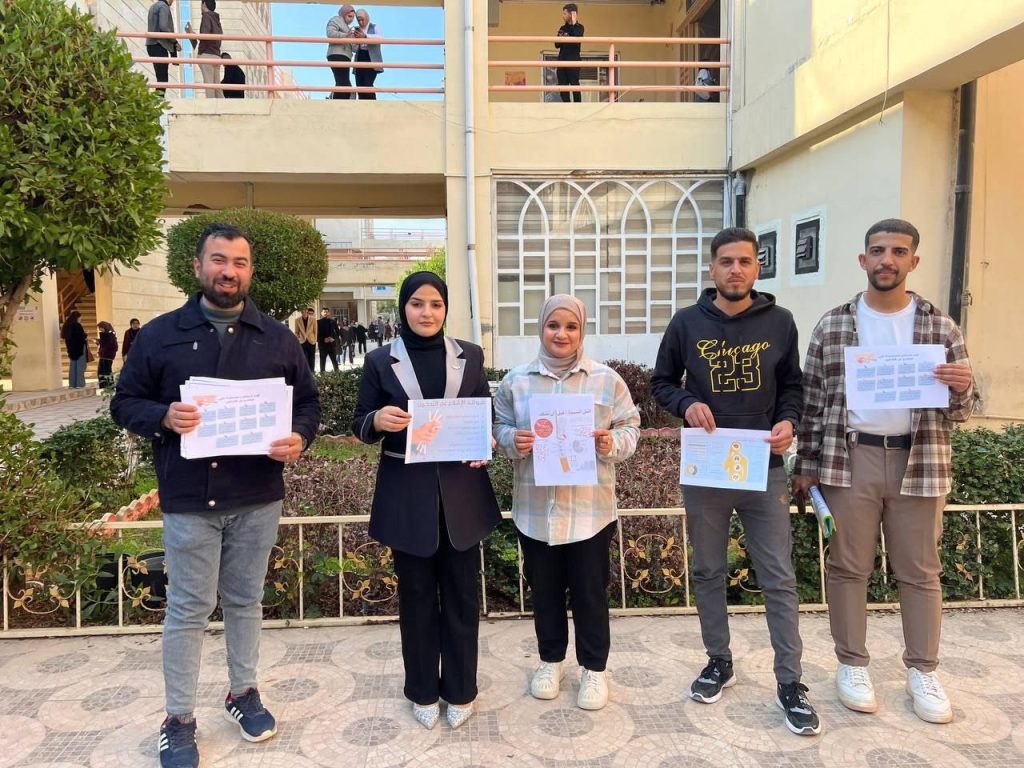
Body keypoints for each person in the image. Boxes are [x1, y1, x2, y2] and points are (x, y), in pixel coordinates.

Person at [110, 223, 320, 768]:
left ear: (250, 271)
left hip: (258, 495)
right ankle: (178, 719)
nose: (229, 271)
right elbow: (123, 402)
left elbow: (307, 404)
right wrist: (163, 416)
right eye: (219, 260)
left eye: (240, 263)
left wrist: (300, 437)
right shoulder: (161, 335)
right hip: (190, 499)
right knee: (188, 609)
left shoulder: (276, 338)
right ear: (199, 266)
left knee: (246, 601)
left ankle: (242, 692)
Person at [793, 218, 976, 725]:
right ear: (863, 259)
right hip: (851, 458)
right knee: (848, 567)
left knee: (920, 571)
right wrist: (805, 466)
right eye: (877, 251)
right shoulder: (833, 325)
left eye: (898, 251)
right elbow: (812, 403)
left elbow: (963, 409)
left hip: (920, 459)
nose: (886, 260)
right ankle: (852, 664)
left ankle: (923, 669)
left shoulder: (941, 327)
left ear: (914, 261)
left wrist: (963, 385)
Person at [651, 227, 820, 737]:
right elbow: (661, 382)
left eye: (745, 261)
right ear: (712, 268)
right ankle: (718, 660)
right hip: (707, 469)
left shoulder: (780, 322)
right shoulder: (686, 323)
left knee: (778, 577)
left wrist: (789, 420)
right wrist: (686, 403)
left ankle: (790, 682)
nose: (735, 270)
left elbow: (792, 385)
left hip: (763, 468)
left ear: (757, 268)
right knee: (707, 570)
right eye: (726, 261)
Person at [351, 271, 501, 730]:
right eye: (417, 303)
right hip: (407, 494)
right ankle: (421, 690)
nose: (427, 312)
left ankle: (461, 689)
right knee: (416, 599)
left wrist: (486, 441)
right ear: (403, 308)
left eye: (435, 304)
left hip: (461, 494)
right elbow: (359, 423)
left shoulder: (469, 356)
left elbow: (484, 414)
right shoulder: (380, 361)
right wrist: (378, 420)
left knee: (461, 597)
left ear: (445, 308)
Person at [493, 295, 640, 711]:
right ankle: (551, 662)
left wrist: (611, 443)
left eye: (571, 326)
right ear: (541, 328)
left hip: (590, 512)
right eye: (553, 325)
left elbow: (631, 427)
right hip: (536, 510)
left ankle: (594, 669)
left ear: (582, 331)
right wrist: (512, 440)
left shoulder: (606, 380)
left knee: (591, 593)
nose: (562, 334)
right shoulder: (516, 382)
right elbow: (499, 427)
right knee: (545, 592)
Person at [184, 0, 222, 98]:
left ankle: (211, 106)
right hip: (216, 55)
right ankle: (222, 105)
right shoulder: (216, 19)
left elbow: (204, 36)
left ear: (204, 4)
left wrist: (191, 34)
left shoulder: (206, 16)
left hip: (207, 54)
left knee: (209, 86)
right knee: (217, 87)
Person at [146, 0, 180, 97]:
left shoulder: (154, 6)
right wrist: (174, 41)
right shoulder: (164, 7)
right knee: (163, 79)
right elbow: (164, 27)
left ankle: (157, 101)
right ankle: (158, 101)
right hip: (159, 45)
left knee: (160, 77)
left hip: (151, 45)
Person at [326, 5, 357, 100]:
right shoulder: (336, 20)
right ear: (344, 13)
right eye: (349, 16)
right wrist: (346, 35)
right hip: (336, 54)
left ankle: (336, 100)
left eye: (353, 17)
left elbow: (354, 48)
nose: (351, 19)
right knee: (344, 83)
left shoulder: (349, 28)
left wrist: (358, 39)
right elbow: (330, 33)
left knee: (342, 82)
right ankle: (337, 102)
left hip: (346, 56)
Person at [555, 3, 584, 103]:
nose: (563, 16)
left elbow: (577, 35)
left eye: (565, 13)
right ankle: (566, 106)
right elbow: (556, 44)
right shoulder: (562, 28)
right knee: (562, 87)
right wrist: (564, 36)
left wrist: (574, 22)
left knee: (574, 85)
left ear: (572, 14)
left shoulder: (580, 27)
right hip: (562, 61)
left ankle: (577, 107)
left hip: (573, 61)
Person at [352, 9, 383, 99]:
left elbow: (380, 38)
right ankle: (362, 104)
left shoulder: (375, 27)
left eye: (362, 19)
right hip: (359, 57)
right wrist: (356, 40)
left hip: (371, 58)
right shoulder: (356, 30)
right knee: (359, 84)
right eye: (358, 20)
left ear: (367, 17)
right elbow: (353, 49)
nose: (361, 22)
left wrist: (365, 36)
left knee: (367, 83)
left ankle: (372, 104)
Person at [62, 310, 88, 389]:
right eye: (80, 318)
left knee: (72, 367)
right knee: (80, 366)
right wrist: (86, 334)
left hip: (71, 349)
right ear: (77, 317)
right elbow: (81, 337)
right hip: (79, 348)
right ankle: (79, 384)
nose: (80, 319)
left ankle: (72, 384)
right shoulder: (77, 325)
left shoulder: (66, 326)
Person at [293, 307, 318, 372]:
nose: (304, 313)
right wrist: (299, 338)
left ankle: (312, 372)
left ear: (307, 311)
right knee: (303, 358)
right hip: (302, 341)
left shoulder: (313, 319)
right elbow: (296, 332)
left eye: (305, 311)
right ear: (301, 312)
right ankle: (305, 372)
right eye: (302, 311)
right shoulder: (297, 320)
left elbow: (315, 331)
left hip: (311, 341)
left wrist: (315, 340)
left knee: (312, 357)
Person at [96, 321, 119, 388]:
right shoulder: (106, 334)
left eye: (100, 327)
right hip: (103, 355)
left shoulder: (110, 334)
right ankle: (103, 385)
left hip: (107, 356)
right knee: (101, 371)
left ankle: (109, 385)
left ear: (104, 327)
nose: (100, 329)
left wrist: (101, 343)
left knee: (107, 371)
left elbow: (113, 346)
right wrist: (99, 342)